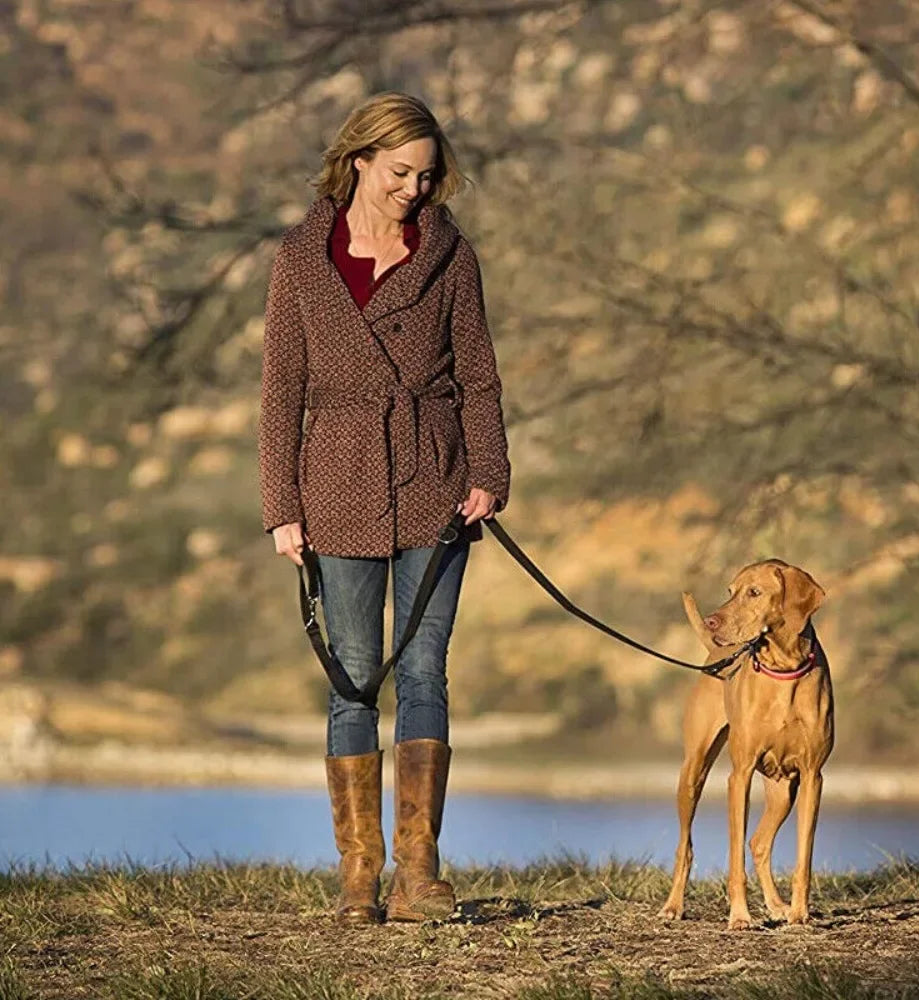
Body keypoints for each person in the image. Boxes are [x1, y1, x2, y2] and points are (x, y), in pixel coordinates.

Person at [257, 92, 511, 924]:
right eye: (400, 172)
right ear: (359, 159)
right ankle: (359, 873)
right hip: (336, 480)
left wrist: (489, 472)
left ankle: (419, 872)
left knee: (426, 669)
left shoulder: (451, 256)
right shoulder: (301, 259)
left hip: (437, 481)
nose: (414, 189)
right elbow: (281, 391)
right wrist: (281, 506)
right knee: (354, 678)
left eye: (427, 176)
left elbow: (478, 376)